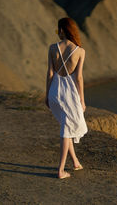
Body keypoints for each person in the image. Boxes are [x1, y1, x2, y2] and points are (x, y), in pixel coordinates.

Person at [45, 17, 88, 179]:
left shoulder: (52, 48)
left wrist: (47, 94)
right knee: (67, 131)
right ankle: (60, 170)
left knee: (67, 127)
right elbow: (78, 78)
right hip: (70, 95)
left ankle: (75, 162)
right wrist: (82, 101)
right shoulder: (80, 51)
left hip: (54, 92)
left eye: (58, 30)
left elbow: (50, 73)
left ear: (62, 30)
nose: (57, 33)